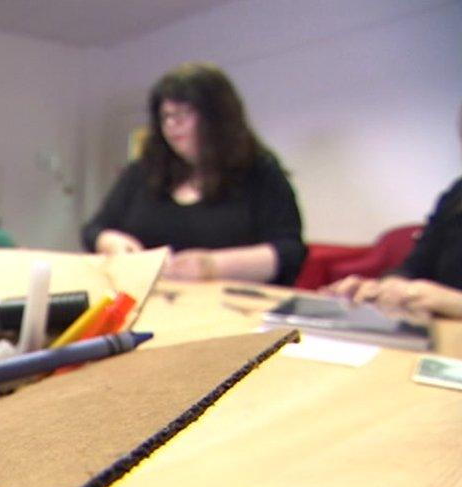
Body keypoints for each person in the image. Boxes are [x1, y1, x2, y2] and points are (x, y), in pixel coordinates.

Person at [82, 63, 306, 285]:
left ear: (218, 118)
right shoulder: (142, 172)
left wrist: (213, 266)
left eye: (183, 114)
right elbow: (95, 229)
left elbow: (289, 253)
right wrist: (111, 242)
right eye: (165, 116)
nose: (171, 125)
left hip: (230, 311)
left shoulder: (261, 173)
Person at [325, 105, 462, 318]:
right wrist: (387, 288)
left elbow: (435, 295)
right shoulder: (457, 194)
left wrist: (450, 301)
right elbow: (414, 267)